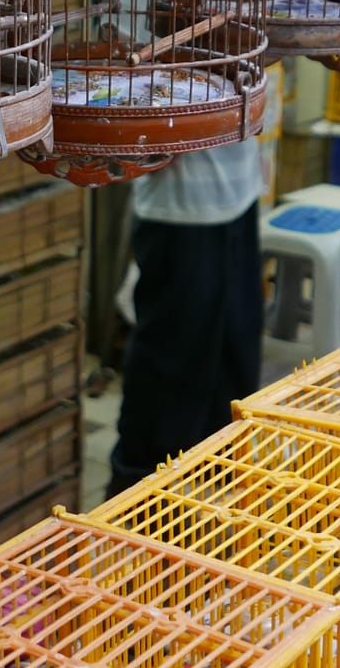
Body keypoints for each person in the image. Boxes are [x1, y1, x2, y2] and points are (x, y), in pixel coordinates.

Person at [108, 134, 264, 498]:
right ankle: (136, 492)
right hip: (180, 208)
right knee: (169, 359)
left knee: (236, 349)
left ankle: (221, 473)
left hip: (239, 189)